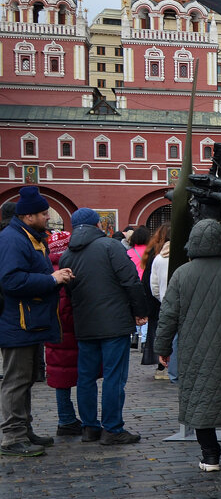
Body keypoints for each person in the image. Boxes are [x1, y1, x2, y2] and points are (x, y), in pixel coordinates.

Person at [156, 219, 221, 471]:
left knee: (200, 404)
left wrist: (163, 348)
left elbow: (168, 315)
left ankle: (210, 457)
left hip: (195, 353)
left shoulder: (182, 274)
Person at [58, 208, 147, 445]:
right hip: (114, 323)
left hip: (84, 324)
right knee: (113, 377)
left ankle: (90, 427)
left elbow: (68, 291)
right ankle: (112, 429)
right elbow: (130, 280)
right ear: (97, 225)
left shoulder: (67, 255)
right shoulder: (110, 247)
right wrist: (140, 311)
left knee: (86, 377)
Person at [0, 186, 72, 457]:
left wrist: (55, 276)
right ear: (28, 216)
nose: (47, 217)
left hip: (28, 321)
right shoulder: (13, 240)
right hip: (16, 322)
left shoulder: (29, 237)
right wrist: (51, 279)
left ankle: (23, 429)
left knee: (26, 379)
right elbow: (11, 280)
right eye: (44, 213)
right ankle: (12, 436)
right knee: (16, 380)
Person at [44, 227, 82, 436]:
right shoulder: (67, 271)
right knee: (80, 376)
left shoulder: (46, 268)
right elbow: (66, 306)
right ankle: (70, 420)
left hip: (54, 333)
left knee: (61, 378)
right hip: (70, 332)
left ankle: (65, 417)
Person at [143, 225, 171, 380]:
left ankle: (161, 366)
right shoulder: (184, 255)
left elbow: (151, 283)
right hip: (177, 302)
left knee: (161, 332)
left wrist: (160, 298)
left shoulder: (157, 257)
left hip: (159, 302)